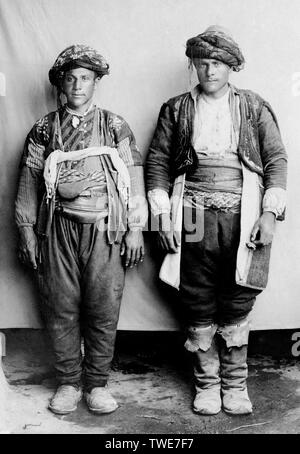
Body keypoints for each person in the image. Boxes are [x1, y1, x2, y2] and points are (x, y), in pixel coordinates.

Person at [146, 26, 287, 415]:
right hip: (190, 209)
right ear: (193, 65)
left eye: (218, 64)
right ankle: (207, 385)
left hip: (244, 212)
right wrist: (161, 218)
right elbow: (157, 161)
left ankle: (236, 385)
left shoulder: (253, 106)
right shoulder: (176, 108)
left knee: (239, 294)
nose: (209, 71)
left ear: (231, 67)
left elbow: (275, 160)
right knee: (196, 296)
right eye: (202, 63)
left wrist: (270, 213)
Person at [15, 44, 148, 415]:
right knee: (61, 305)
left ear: (96, 83)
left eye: (85, 78)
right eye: (70, 78)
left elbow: (134, 177)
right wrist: (26, 228)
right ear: (61, 83)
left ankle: (97, 384)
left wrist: (135, 227)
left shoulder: (115, 125)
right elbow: (28, 179)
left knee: (103, 307)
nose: (77, 85)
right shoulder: (44, 128)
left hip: (106, 228)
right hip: (57, 229)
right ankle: (69, 382)